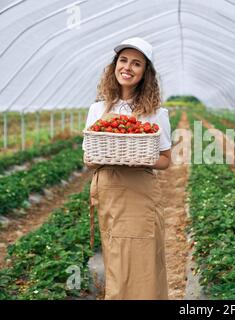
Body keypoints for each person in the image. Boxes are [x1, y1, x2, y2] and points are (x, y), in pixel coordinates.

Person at [83, 37, 171, 300]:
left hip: (139, 193)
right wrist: (104, 155)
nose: (128, 68)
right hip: (110, 192)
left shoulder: (155, 113)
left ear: (146, 73)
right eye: (123, 61)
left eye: (137, 63)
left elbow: (166, 159)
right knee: (117, 258)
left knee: (143, 259)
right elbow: (89, 158)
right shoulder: (97, 109)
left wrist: (141, 159)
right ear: (114, 66)